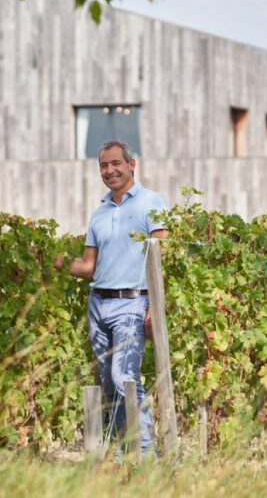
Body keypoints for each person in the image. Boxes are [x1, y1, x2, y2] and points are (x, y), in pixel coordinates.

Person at [57, 140, 167, 456]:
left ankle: (145, 451)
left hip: (133, 302)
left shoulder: (151, 203)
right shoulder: (99, 214)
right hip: (98, 304)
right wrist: (57, 261)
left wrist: (155, 309)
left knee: (124, 376)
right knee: (108, 381)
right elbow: (89, 267)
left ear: (132, 165)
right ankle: (123, 450)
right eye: (104, 165)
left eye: (116, 163)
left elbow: (163, 258)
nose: (110, 170)